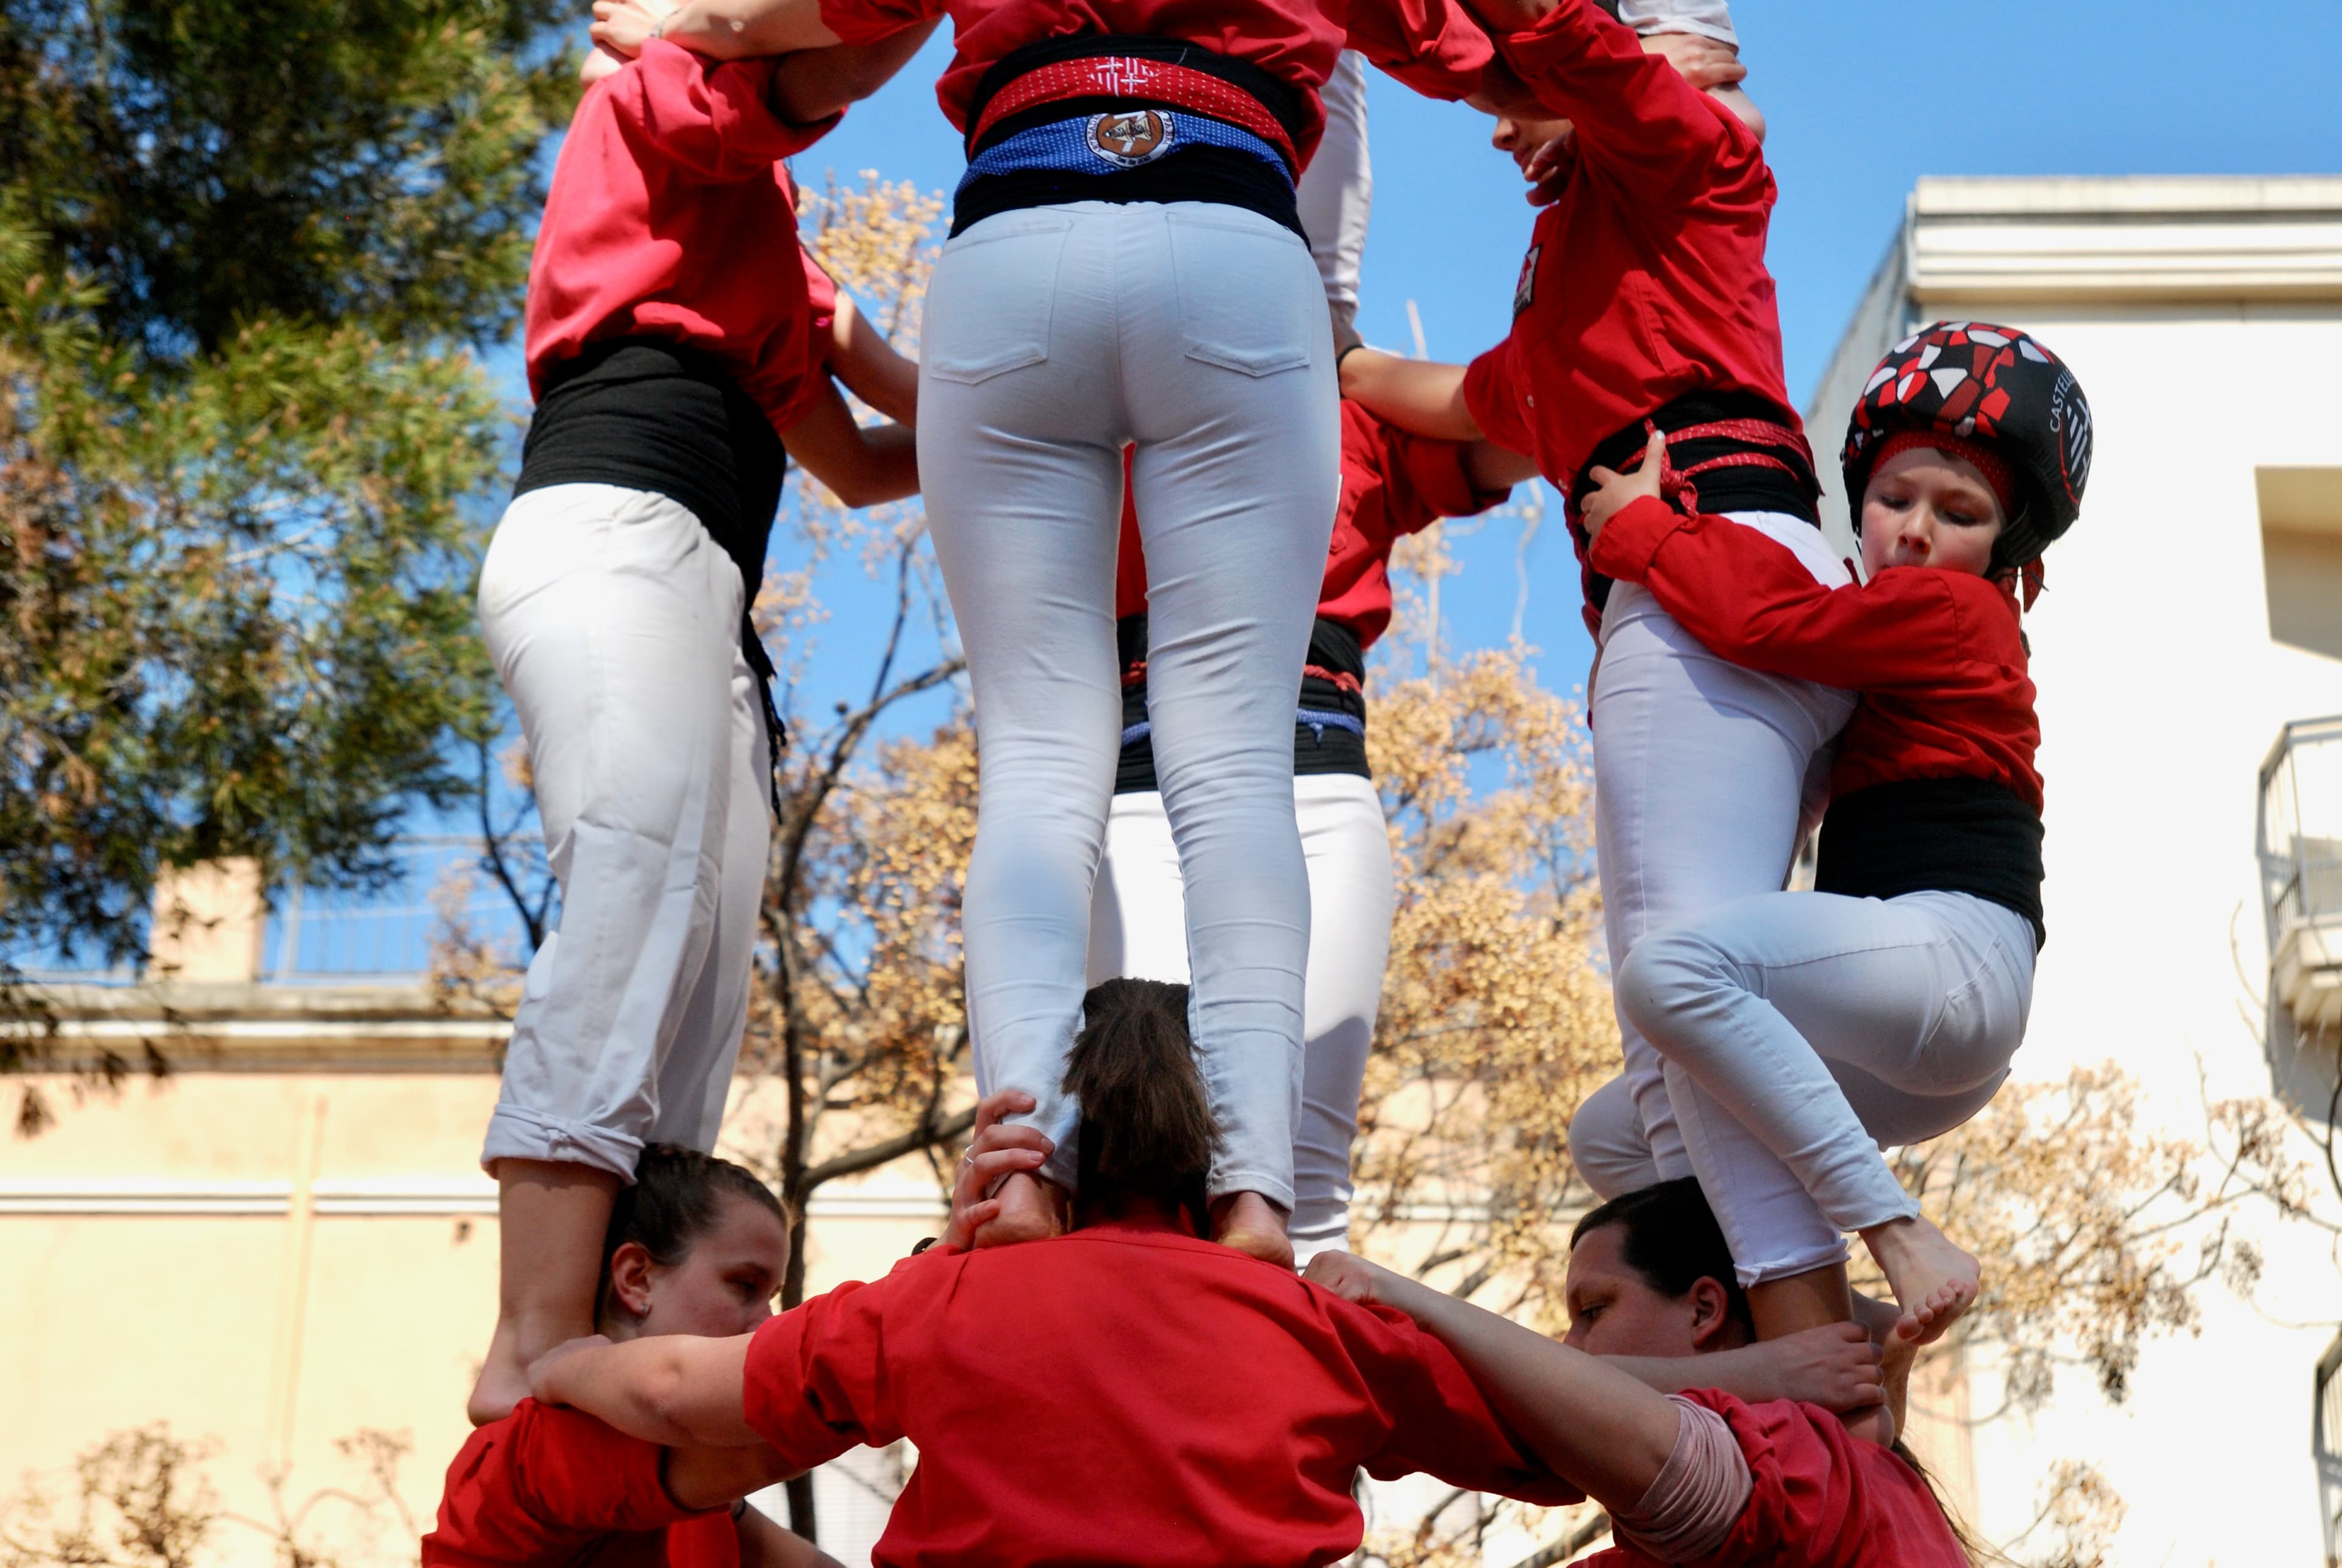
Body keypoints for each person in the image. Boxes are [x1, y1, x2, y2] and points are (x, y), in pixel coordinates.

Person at [604, 0, 1389, 1270]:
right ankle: (1253, 1193)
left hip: (1017, 232)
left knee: (1034, 768)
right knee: (1236, 770)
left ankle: (1022, 1172)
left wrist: (680, 21)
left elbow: (829, 20)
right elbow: (1473, 43)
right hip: (1237, 233)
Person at [1335, 0, 1858, 1336]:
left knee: (1686, 997)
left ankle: (1820, 1373)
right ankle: (1759, 1359)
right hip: (1705, 600)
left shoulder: (1682, 157)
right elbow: (1459, 398)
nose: (1495, 119)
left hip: (1704, 583)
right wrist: (1315, 339)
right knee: (1657, 1058)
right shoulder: (1583, 280)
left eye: (1516, 88)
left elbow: (1565, 43)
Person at [468, 26, 929, 1424]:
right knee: (636, 884)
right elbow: (837, 55)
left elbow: (875, 449)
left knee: (703, 971)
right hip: (613, 533)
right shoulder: (655, 92)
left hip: (706, 598)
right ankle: (531, 1339)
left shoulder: (765, 240)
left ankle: (632, 1315)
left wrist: (1083, 417)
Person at [528, 978, 1588, 1566]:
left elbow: (675, 1390)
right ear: (1231, 1148)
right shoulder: (1317, 1325)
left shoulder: (943, 1298)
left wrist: (555, 1358)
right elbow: (1560, 1450)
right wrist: (1406, 1302)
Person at [1563, 323, 2091, 1344]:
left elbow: (1777, 621)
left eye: (1960, 513)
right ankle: (1846, 1324)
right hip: (1903, 1027)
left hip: (1956, 959)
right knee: (1619, 1129)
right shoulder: (1895, 631)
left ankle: (1896, 1230)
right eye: (1895, 500)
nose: (1918, 531)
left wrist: (1644, 532)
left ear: (2003, 552)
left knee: (1671, 974)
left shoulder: (1957, 613)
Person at [1090, 408, 1532, 1264]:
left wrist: (1354, 361)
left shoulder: (1351, 414)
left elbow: (1536, 416)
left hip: (1319, 778)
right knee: (1137, 1144)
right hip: (1144, 789)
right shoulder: (1107, 393)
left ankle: (1289, 1350)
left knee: (1302, 1172)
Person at [1306, 1177, 1975, 1566]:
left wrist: (1402, 1295)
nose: (1568, 1347)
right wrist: (1759, 1370)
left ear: (1705, 1308)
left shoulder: (1815, 1467)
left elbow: (1670, 1459)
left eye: (1593, 1310)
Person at [426, 1146, 838, 1568]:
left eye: (771, 1298)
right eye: (744, 1285)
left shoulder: (702, 1480)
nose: (766, 1324)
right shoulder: (537, 1447)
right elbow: (777, 1427)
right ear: (637, 1278)